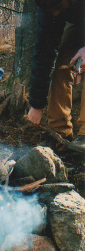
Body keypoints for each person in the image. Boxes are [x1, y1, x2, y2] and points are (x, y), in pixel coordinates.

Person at [27, 0, 85, 152]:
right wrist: (36, 104)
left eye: (58, 7)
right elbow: (43, 54)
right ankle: (60, 132)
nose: (55, 14)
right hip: (78, 21)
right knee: (63, 66)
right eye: (50, 10)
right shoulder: (49, 10)